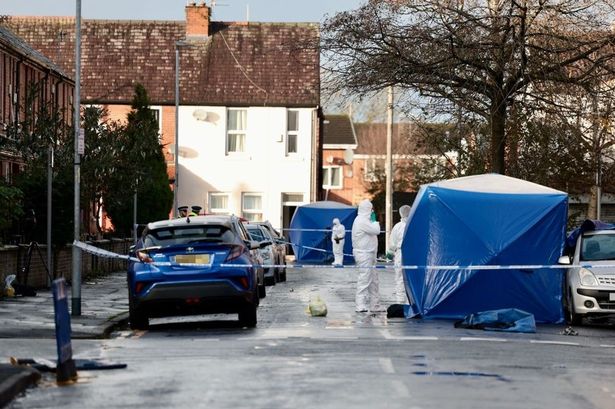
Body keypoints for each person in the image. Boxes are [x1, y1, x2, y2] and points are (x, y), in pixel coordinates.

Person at [352, 199, 382, 313]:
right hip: (364, 254)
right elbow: (376, 230)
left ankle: (375, 305)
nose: (372, 211)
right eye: (371, 209)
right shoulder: (361, 221)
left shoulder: (364, 220)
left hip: (369, 253)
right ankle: (360, 305)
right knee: (364, 279)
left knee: (374, 280)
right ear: (367, 209)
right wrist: (375, 221)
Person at [387, 205, 411, 304]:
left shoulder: (398, 226)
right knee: (411, 278)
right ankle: (410, 302)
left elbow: (392, 243)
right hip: (412, 254)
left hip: (400, 254)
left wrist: (390, 253)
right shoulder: (414, 225)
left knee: (400, 278)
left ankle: (400, 302)